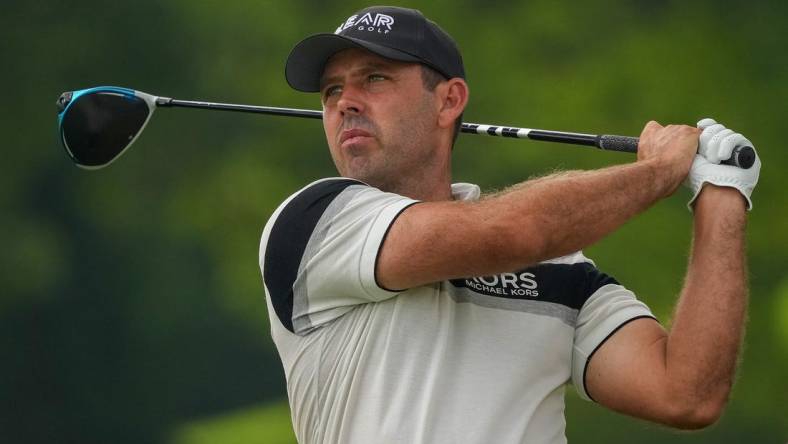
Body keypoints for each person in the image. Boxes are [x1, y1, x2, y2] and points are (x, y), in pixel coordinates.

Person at [258, 6, 761, 443]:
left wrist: (722, 193)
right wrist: (657, 172)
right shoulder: (315, 223)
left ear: (449, 101)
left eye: (374, 78)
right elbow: (515, 233)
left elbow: (686, 394)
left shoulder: (561, 272)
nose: (345, 102)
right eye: (331, 90)